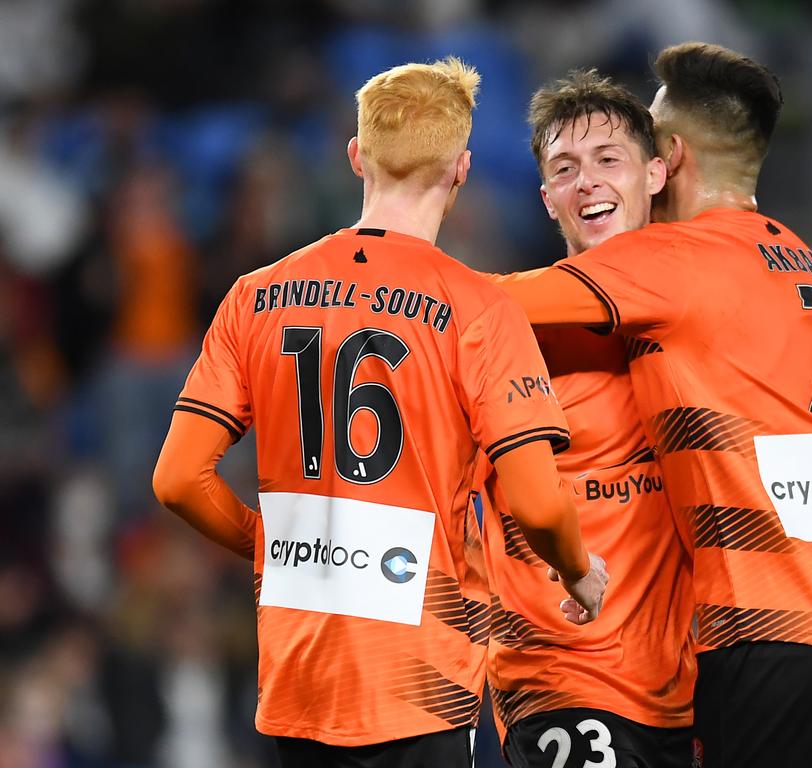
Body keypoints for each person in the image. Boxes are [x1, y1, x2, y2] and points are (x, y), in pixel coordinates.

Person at [492, 43, 812, 768]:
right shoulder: (801, 260)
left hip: (777, 637)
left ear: (668, 160)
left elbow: (480, 305)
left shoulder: (663, 263)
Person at [152, 57, 609, 768]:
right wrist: (577, 570)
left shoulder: (254, 294)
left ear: (356, 156)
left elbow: (178, 479)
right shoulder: (480, 309)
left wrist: (267, 542)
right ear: (461, 169)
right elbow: (536, 503)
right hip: (419, 682)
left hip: (297, 681)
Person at [480, 71, 695, 767]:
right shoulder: (503, 332)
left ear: (656, 173)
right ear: (547, 198)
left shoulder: (704, 317)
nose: (588, 183)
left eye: (609, 160)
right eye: (565, 169)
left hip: (692, 689)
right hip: (562, 681)